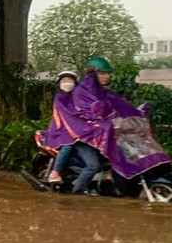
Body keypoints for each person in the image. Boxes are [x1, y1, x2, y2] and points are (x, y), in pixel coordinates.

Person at [69, 56, 169, 194]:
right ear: (93, 75)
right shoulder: (81, 93)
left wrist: (138, 113)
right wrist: (102, 117)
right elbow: (86, 113)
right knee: (93, 165)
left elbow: (122, 107)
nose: (107, 76)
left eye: (108, 73)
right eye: (103, 73)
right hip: (84, 137)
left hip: (106, 135)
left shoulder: (105, 92)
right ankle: (76, 196)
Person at [44, 71, 80, 184]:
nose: (67, 83)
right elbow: (68, 115)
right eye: (64, 81)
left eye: (70, 81)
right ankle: (55, 172)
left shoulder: (77, 97)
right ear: (59, 84)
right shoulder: (59, 98)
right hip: (60, 130)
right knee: (67, 146)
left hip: (75, 130)